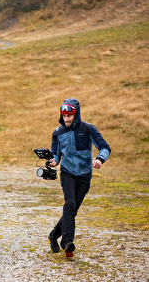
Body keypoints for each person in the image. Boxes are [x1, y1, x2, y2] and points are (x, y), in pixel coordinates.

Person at [48, 98, 111, 257]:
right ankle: (67, 242)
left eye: (69, 116)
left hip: (84, 176)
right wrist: (55, 161)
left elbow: (104, 147)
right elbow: (56, 153)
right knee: (69, 204)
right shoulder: (58, 132)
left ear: (76, 114)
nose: (66, 119)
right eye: (64, 116)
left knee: (72, 210)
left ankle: (54, 235)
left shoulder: (88, 129)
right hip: (67, 172)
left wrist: (100, 159)